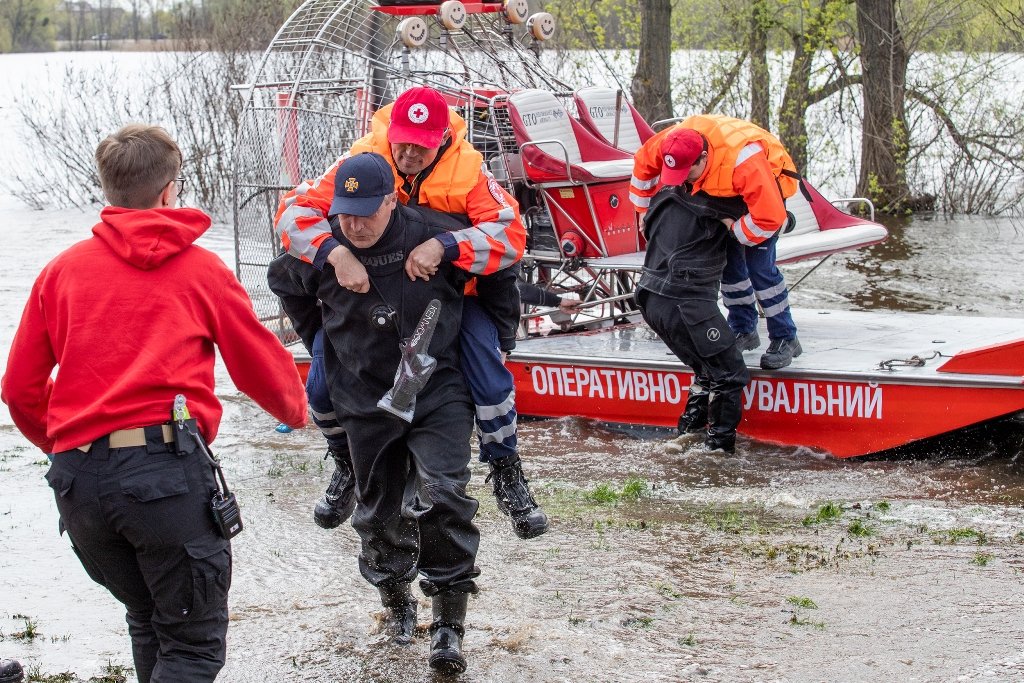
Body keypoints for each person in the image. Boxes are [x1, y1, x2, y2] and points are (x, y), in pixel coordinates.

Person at [1, 125, 308, 682]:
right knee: (192, 647)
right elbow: (261, 366)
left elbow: (19, 388)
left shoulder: (61, 272)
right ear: (170, 191)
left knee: (148, 617)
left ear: (109, 189)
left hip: (79, 485)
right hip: (163, 478)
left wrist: (68, 443)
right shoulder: (202, 270)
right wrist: (300, 412)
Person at [275, 85, 548, 539]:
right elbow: (291, 213)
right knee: (321, 383)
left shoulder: (469, 170)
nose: (408, 152)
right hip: (365, 291)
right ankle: (344, 464)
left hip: (453, 294)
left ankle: (507, 470)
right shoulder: (360, 160)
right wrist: (332, 254)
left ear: (442, 137)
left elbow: (510, 233)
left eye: (420, 144)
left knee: (488, 374)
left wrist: (446, 245)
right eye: (401, 140)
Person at [268, 152, 481, 674]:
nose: (354, 224)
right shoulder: (322, 249)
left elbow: (497, 274)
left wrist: (498, 339)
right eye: (344, 213)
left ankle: (449, 621)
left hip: (436, 391)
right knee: (378, 514)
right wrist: (321, 336)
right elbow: (283, 284)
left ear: (392, 199)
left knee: (445, 492)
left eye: (367, 211)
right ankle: (397, 604)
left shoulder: (435, 235)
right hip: (362, 395)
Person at [630, 115, 802, 370]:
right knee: (730, 269)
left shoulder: (745, 161)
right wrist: (643, 210)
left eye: (688, 172)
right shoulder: (669, 144)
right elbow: (642, 168)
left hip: (766, 197)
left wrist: (735, 230)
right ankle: (743, 329)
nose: (683, 179)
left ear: (703, 157)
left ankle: (786, 337)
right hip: (721, 193)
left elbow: (768, 218)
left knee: (760, 270)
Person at [634, 170, 752, 453]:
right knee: (730, 374)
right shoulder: (721, 202)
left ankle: (687, 436)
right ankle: (718, 452)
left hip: (650, 297)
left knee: (707, 370)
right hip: (685, 301)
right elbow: (766, 227)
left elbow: (645, 229)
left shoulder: (660, 196)